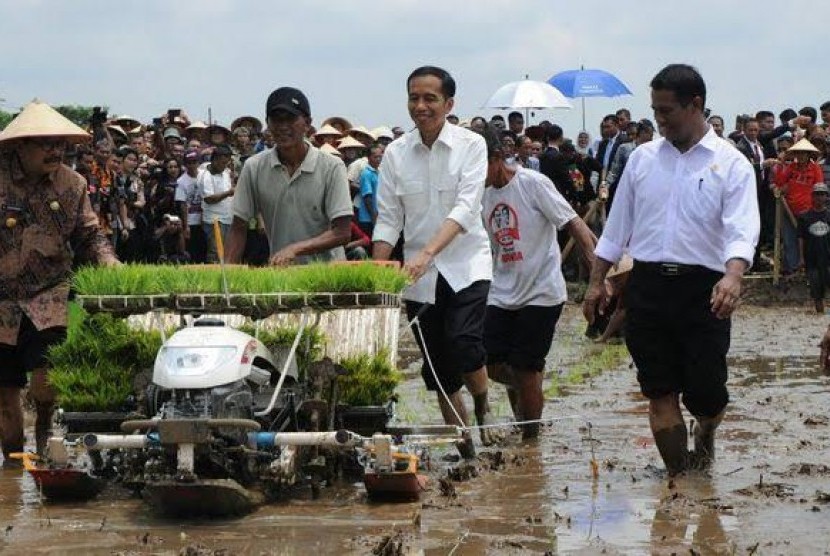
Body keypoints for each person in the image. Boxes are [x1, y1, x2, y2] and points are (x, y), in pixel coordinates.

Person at [582, 64, 760, 476]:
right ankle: (681, 483)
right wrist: (596, 283)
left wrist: (733, 275)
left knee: (707, 395)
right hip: (647, 288)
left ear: (695, 104)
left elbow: (742, 228)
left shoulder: (731, 164)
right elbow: (616, 228)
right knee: (659, 391)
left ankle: (707, 431)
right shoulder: (643, 160)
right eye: (655, 111)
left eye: (667, 112)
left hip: (705, 291)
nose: (659, 120)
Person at [372, 66, 497, 456]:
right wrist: (376, 270)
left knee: (464, 343)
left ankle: (483, 405)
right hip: (418, 277)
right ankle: (467, 453)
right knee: (439, 372)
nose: (421, 106)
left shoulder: (472, 146)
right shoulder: (395, 153)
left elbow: (465, 208)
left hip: (466, 264)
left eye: (430, 98)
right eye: (414, 98)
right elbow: (390, 217)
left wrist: (428, 252)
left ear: (449, 103)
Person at [0, 100, 119, 460]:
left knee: (45, 381)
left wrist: (109, 263)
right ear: (22, 145)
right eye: (45, 143)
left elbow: (89, 234)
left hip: (47, 295)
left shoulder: (73, 184)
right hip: (2, 298)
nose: (55, 151)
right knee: (5, 394)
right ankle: (13, 463)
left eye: (60, 144)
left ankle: (46, 445)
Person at [478, 125, 596, 439]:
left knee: (526, 368)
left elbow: (575, 225)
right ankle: (528, 398)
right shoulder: (480, 195)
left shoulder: (533, 183)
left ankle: (530, 445)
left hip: (542, 291)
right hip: (502, 291)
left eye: (475, 166)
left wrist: (598, 277)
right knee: (489, 363)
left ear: (495, 158)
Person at [226, 87, 353, 265]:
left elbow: (342, 232)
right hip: (282, 275)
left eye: (291, 119)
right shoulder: (254, 167)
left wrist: (295, 249)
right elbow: (238, 226)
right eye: (276, 120)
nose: (283, 126)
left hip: (329, 277)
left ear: (307, 123)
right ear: (267, 124)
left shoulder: (332, 167)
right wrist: (226, 279)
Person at [772, 138, 824, 275]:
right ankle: (793, 270)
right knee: (789, 240)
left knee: (810, 241)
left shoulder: (815, 169)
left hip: (808, 211)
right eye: (798, 153)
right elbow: (779, 182)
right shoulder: (791, 167)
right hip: (789, 209)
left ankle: (812, 269)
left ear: (808, 155)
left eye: (804, 153)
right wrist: (781, 163)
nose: (801, 156)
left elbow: (819, 188)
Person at [198, 145, 235, 263]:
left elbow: (230, 186)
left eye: (226, 163)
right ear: (214, 160)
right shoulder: (205, 176)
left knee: (226, 250)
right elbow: (208, 199)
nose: (224, 166)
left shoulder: (226, 172)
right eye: (222, 163)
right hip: (214, 220)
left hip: (227, 218)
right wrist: (229, 193)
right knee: (215, 251)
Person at [798, 183, 830, 313]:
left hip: (828, 258)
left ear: (827, 197)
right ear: (812, 196)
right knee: (817, 293)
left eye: (822, 194)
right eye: (817, 194)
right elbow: (800, 238)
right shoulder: (804, 217)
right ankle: (820, 314)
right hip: (812, 260)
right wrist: (801, 258)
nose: (819, 197)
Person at [356, 143, 384, 237]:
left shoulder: (378, 172)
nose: (378, 159)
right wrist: (374, 218)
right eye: (375, 157)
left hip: (378, 216)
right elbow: (367, 197)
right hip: (368, 218)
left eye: (380, 157)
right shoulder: (366, 173)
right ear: (368, 158)